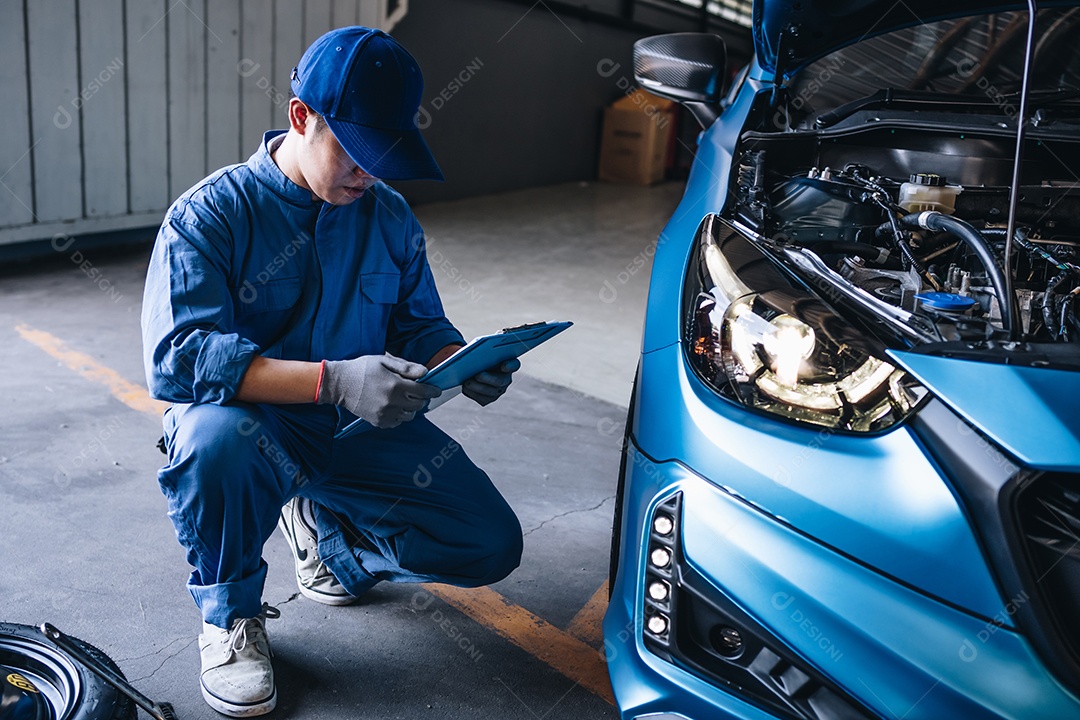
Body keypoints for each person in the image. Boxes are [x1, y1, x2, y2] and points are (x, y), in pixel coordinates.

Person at [141, 26, 523, 717]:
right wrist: (332, 381)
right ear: (300, 118)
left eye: (383, 155)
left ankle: (330, 540)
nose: (368, 173)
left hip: (359, 431)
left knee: (487, 543)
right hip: (258, 430)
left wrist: (462, 363)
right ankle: (229, 618)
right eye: (355, 152)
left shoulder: (390, 217)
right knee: (213, 442)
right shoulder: (210, 217)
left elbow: (420, 323)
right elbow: (182, 358)